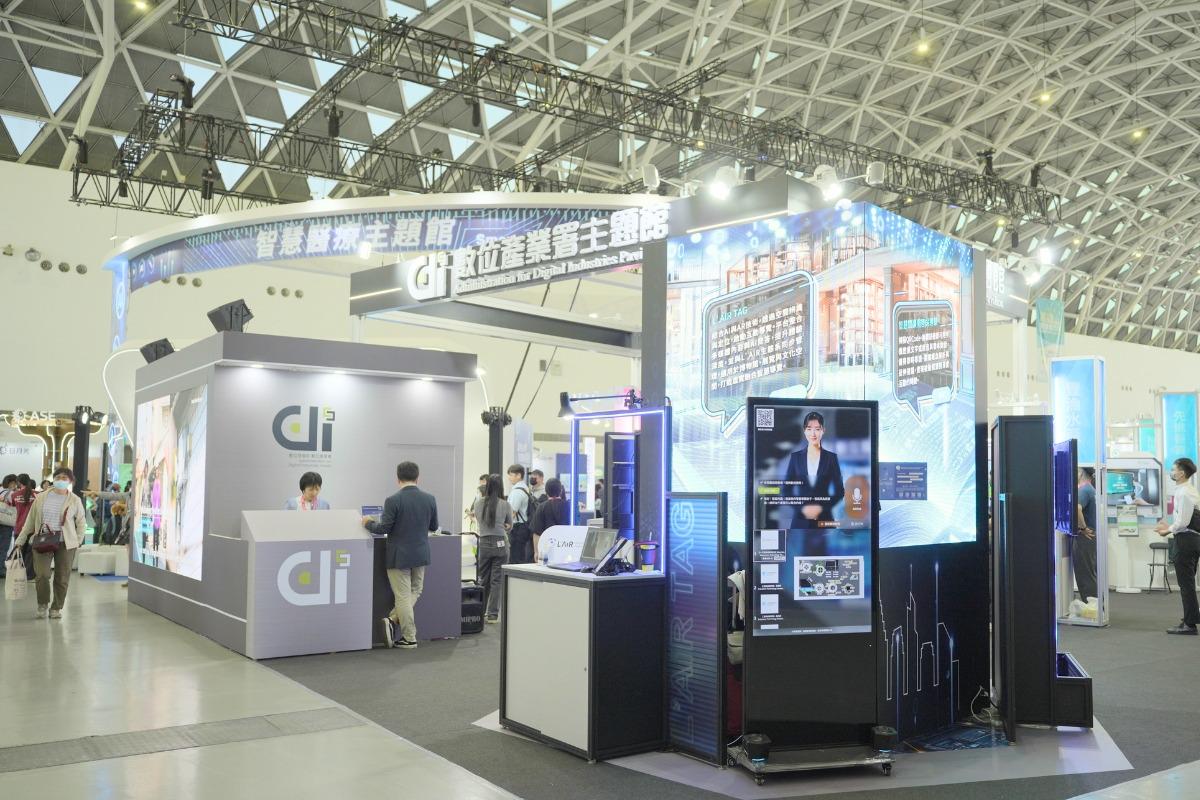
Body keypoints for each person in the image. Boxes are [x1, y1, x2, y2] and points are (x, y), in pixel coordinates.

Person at [363, 461, 439, 649]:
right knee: (415, 590)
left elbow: (383, 528)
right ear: (417, 478)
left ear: (398, 479)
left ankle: (408, 636)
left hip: (399, 556)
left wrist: (367, 522)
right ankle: (392, 620)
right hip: (420, 553)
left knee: (403, 596)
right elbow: (434, 526)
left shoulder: (393, 500)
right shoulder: (430, 499)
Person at [11, 467, 87, 619]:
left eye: (65, 478)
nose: (61, 480)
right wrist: (20, 540)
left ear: (70, 481)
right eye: (58, 477)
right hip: (42, 540)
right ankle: (42, 604)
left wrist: (78, 541)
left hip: (65, 543)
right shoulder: (41, 497)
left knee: (62, 577)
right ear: (54, 479)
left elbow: (81, 522)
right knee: (42, 575)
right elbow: (30, 521)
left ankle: (56, 607)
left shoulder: (74, 500)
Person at [1156, 457, 1200, 635]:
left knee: (1186, 584)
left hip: (1186, 541)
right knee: (1188, 583)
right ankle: (1190, 619)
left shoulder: (1184, 493)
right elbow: (1185, 521)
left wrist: (1167, 531)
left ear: (1181, 473)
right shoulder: (1189, 490)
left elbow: (1183, 522)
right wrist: (1170, 527)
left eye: (1174, 469)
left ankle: (1190, 624)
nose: (1172, 472)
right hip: (1191, 539)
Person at [783, 411, 845, 528]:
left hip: (825, 520)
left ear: (823, 430)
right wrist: (802, 508)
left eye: (817, 429)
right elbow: (786, 491)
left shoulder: (831, 458)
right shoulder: (795, 458)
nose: (813, 433)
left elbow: (840, 491)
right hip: (800, 522)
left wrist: (821, 508)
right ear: (804, 430)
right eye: (809, 429)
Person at [473, 474, 511, 623]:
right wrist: (504, 526)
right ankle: (493, 615)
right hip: (500, 543)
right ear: (501, 487)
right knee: (497, 581)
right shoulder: (505, 504)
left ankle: (479, 612)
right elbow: (509, 526)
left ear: (487, 486)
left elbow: (480, 521)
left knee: (483, 579)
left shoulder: (478, 503)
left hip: (484, 543)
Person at [1073, 467, 1098, 602]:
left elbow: (1077, 508)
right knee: (1090, 572)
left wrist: (1082, 527)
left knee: (1085, 574)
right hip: (1091, 535)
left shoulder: (1083, 490)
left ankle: (1091, 607)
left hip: (1085, 536)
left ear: (1081, 473)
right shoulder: (1091, 490)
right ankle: (1095, 606)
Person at [531, 478, 569, 563]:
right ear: (561, 490)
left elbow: (537, 532)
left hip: (547, 548)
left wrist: (536, 552)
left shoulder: (542, 507)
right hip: (567, 546)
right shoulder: (568, 506)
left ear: (546, 491)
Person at [506, 464, 534, 565]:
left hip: (517, 528)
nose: (509, 478)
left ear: (518, 475)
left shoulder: (517, 491)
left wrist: (505, 527)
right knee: (520, 555)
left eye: (511, 475)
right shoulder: (525, 488)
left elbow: (511, 513)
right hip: (524, 526)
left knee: (515, 557)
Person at [0, 474, 17, 578]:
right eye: (15, 483)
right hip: (5, 523)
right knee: (3, 547)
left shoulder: (0, 490)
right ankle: (1, 570)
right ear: (11, 483)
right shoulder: (11, 494)